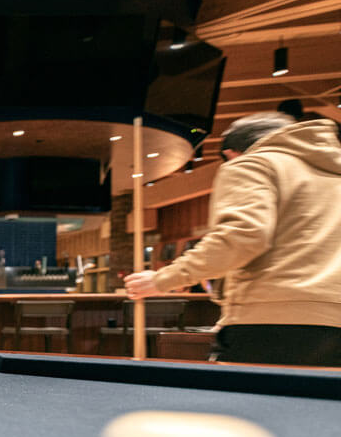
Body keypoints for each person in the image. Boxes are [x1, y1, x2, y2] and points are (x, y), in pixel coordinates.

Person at [125, 112, 341, 365]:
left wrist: (163, 279)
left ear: (231, 153)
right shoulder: (333, 176)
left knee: (243, 404)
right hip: (334, 321)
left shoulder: (253, 163)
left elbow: (243, 236)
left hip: (271, 322)